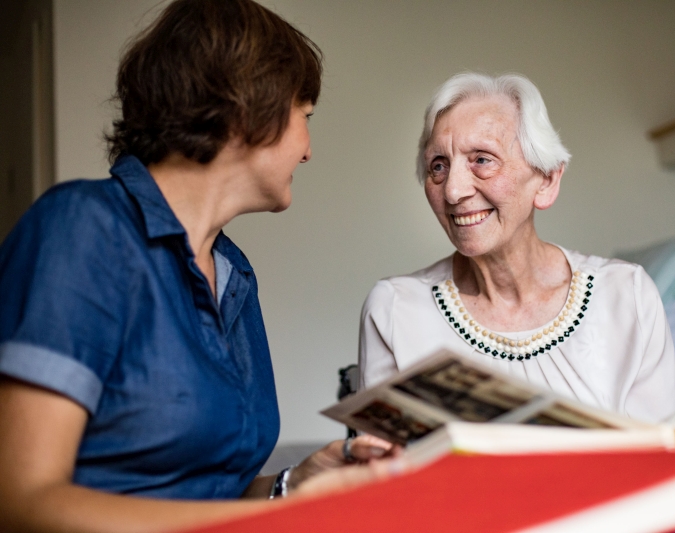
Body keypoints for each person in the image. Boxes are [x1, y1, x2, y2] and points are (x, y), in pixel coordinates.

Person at [0, 2, 400, 531]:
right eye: (305, 118)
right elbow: (23, 502)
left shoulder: (233, 274)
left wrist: (292, 486)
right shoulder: (82, 228)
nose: (307, 151)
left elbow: (208, 493)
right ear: (247, 107)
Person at [358, 72, 675, 491]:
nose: (453, 190)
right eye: (438, 166)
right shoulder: (396, 309)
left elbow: (663, 472)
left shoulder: (625, 294)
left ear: (546, 180)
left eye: (482, 160)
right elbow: (380, 488)